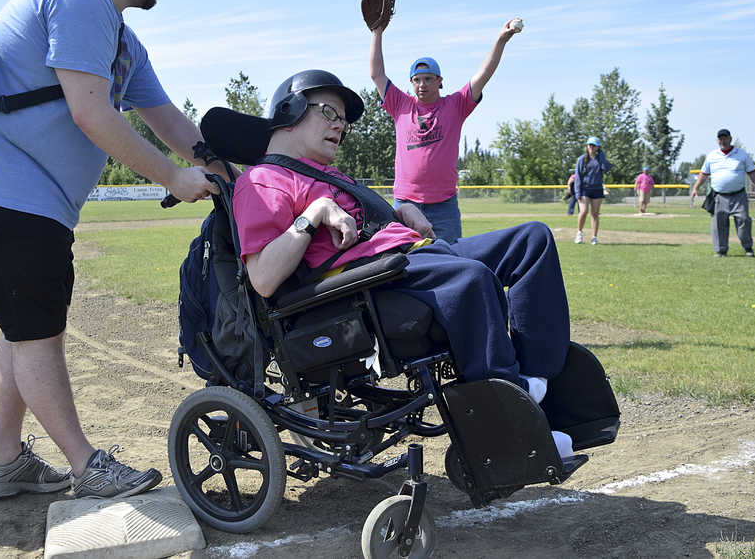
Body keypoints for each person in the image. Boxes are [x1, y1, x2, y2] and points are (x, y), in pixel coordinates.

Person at [0, 0, 224, 500]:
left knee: (23, 327)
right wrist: (171, 177)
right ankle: (86, 465)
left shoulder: (119, 35)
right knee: (37, 330)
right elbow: (92, 112)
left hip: (24, 197)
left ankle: (4, 462)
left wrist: (224, 169)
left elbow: (165, 117)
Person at [232, 70, 572, 450]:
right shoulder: (263, 180)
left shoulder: (325, 174)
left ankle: (538, 381)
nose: (340, 126)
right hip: (370, 285)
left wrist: (399, 212)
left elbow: (363, 224)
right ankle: (508, 424)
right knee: (470, 279)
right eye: (330, 113)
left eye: (343, 119)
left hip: (410, 258)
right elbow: (262, 277)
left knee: (533, 240)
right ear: (290, 112)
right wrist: (314, 214)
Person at [369, 16, 523, 243]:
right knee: (403, 266)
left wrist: (501, 40)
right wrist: (377, 33)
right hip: (406, 204)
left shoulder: (455, 105)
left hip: (444, 207)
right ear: (411, 82)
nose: (422, 85)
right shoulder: (401, 104)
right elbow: (377, 74)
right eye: (417, 80)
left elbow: (483, 75)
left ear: (439, 80)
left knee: (449, 263)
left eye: (428, 79)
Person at [689, 129, 755, 257]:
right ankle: (721, 250)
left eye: (725, 138)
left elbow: (752, 172)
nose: (722, 141)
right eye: (720, 138)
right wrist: (696, 188)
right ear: (717, 140)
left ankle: (748, 247)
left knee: (744, 220)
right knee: (718, 223)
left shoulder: (741, 154)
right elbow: (704, 174)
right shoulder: (712, 156)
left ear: (730, 139)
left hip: (738, 195)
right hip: (719, 196)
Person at [574, 136, 612, 245]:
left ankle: (594, 237)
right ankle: (579, 233)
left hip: (597, 189)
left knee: (595, 214)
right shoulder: (582, 159)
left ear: (597, 147)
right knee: (583, 211)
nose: (591, 147)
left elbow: (606, 168)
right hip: (584, 189)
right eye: (589, 145)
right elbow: (578, 177)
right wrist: (578, 193)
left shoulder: (600, 158)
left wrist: (602, 156)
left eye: (593, 145)